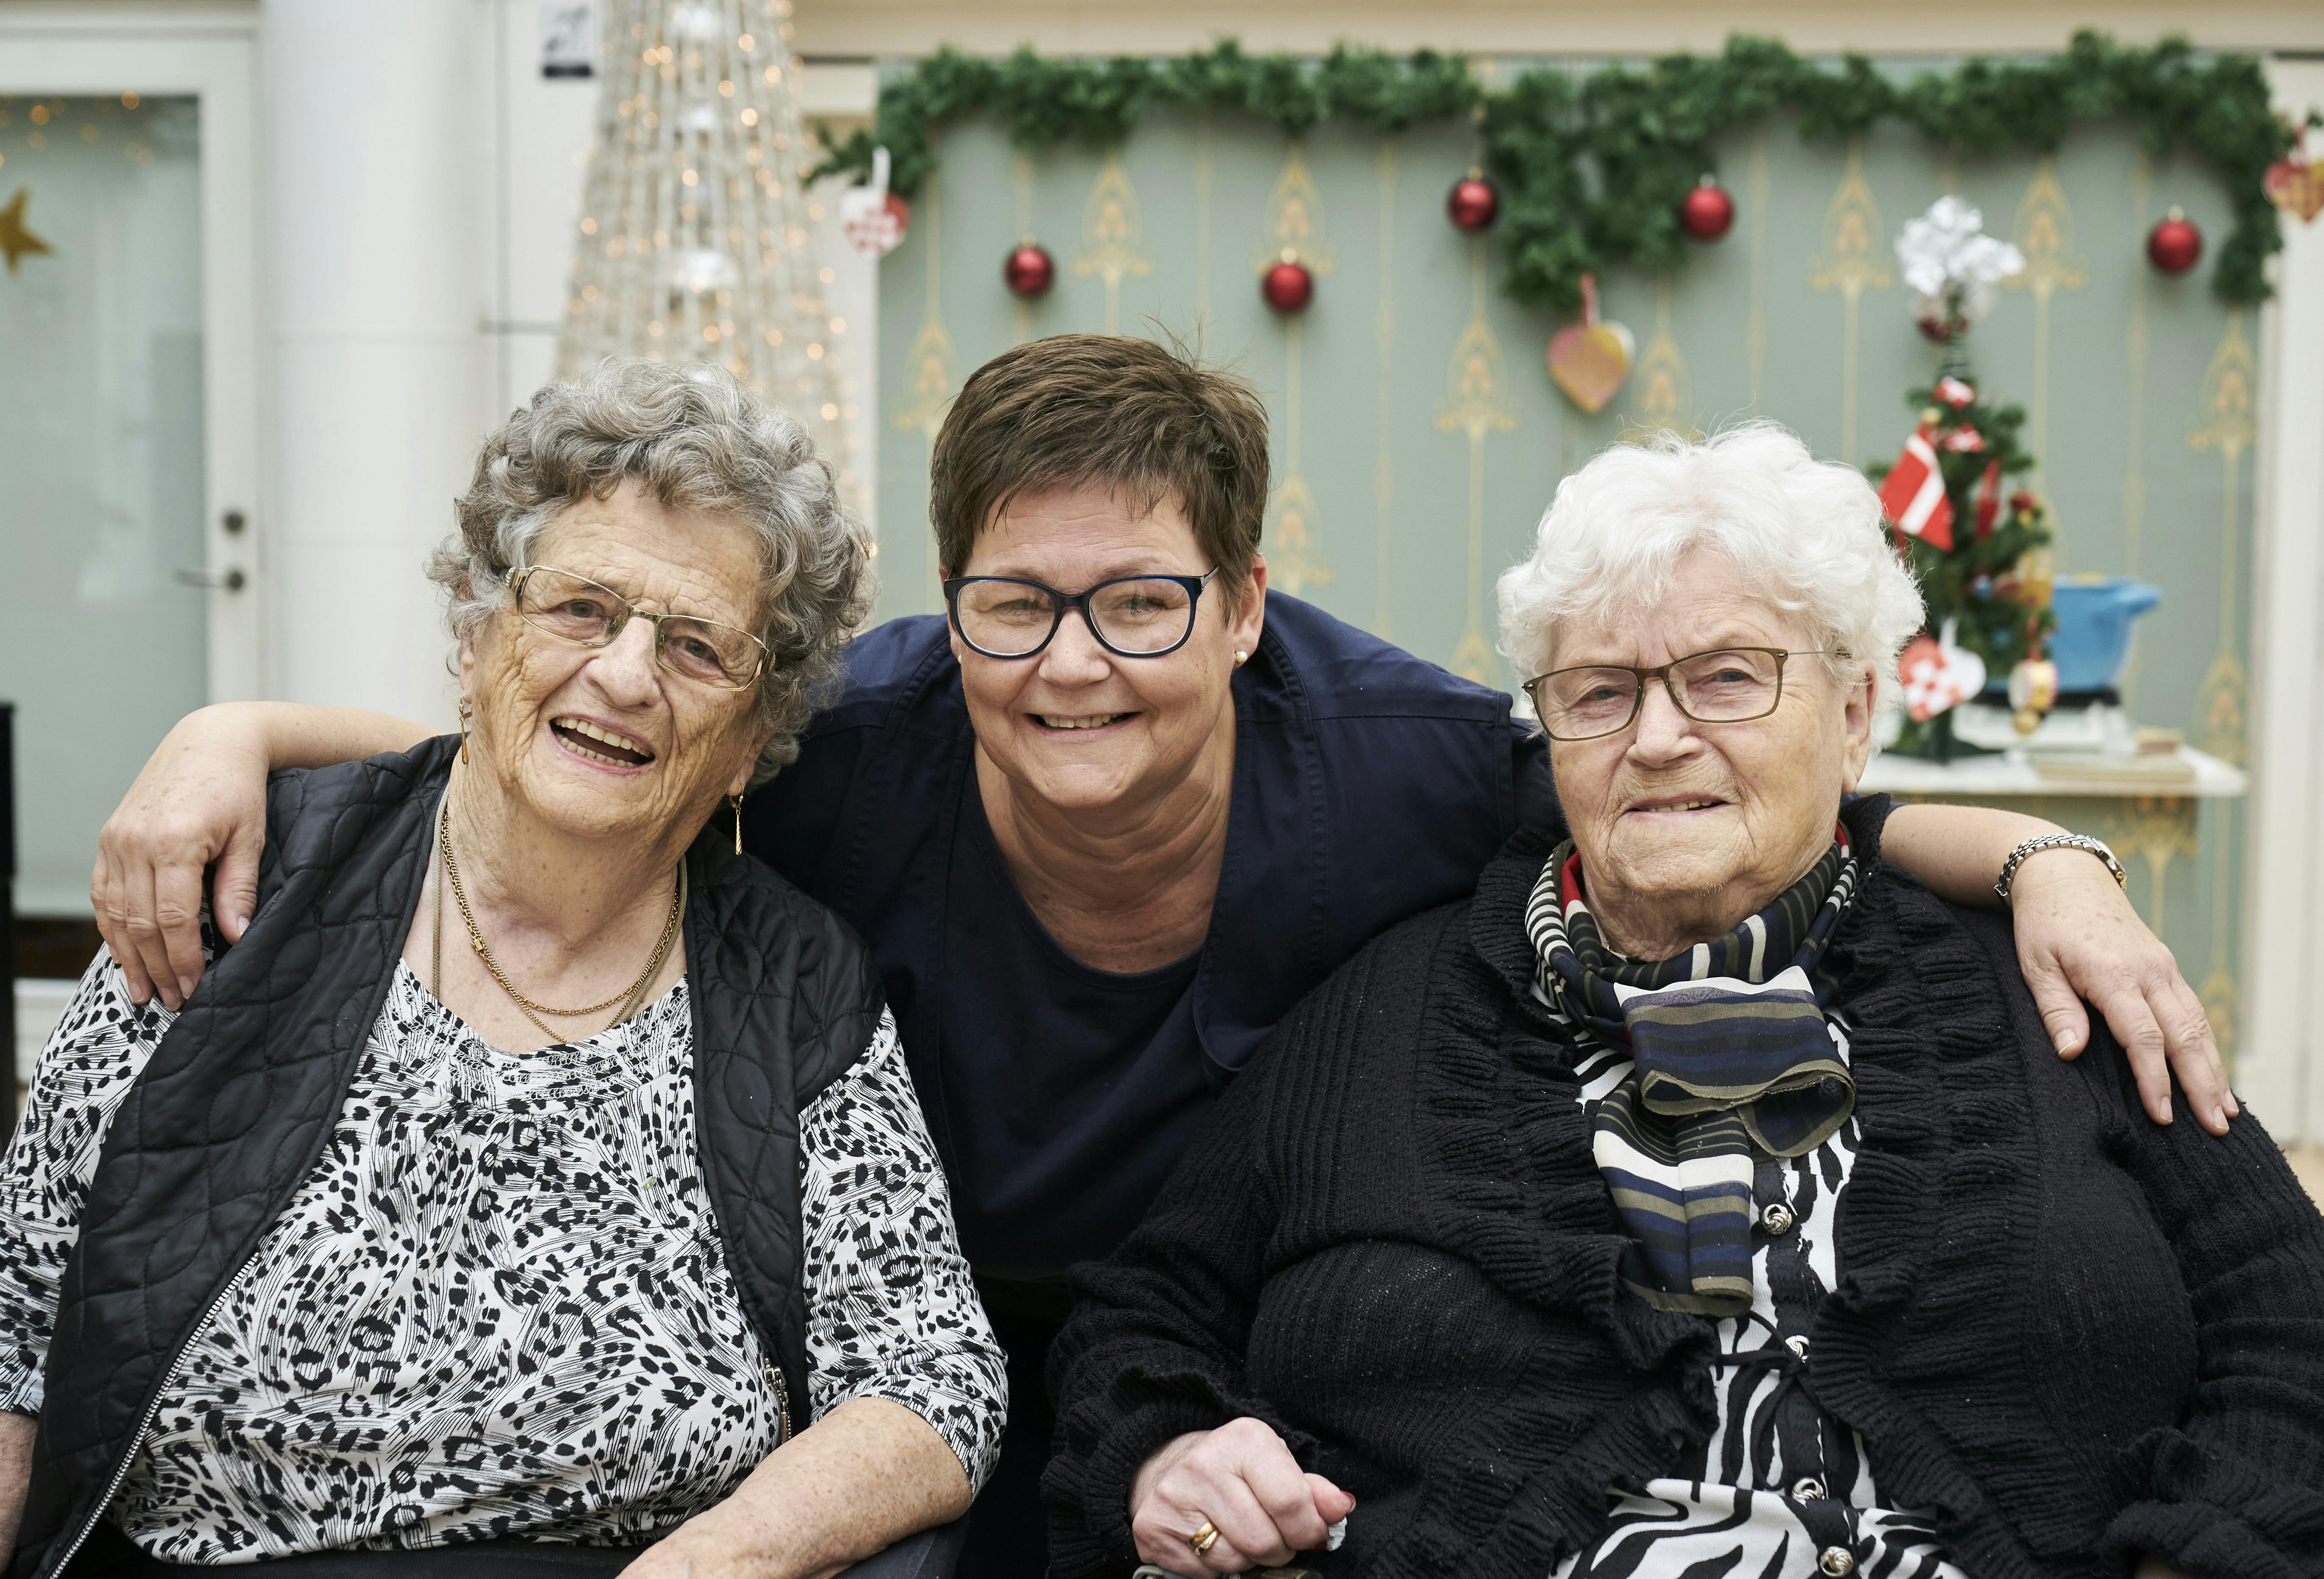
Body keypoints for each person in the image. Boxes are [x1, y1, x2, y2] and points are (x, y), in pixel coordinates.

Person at [89, 338, 2233, 1570]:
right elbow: (574, 739)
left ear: (1246, 606)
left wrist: (2039, 852)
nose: (1073, 665)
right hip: (954, 1348)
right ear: (950, 610)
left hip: (1228, 1365)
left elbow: (1699, 785)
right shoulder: (850, 749)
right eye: (1015, 605)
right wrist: (245, 732)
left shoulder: (1400, 761)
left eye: (1142, 602)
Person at [1041, 423, 2324, 1579]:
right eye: (1599, 692)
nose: (1656, 738)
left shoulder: (2044, 982)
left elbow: (2290, 1318)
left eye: (1726, 677)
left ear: (1855, 713)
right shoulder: (1381, 1009)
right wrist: (1173, 1456)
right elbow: (1142, 1318)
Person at [0, 360, 1005, 1576]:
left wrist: (724, 1557)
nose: (625, 675)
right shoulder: (240, 889)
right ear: (476, 637)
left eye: (697, 647)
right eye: (580, 608)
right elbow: (17, 1327)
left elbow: (933, 1376)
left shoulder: (795, 986)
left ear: (751, 740)